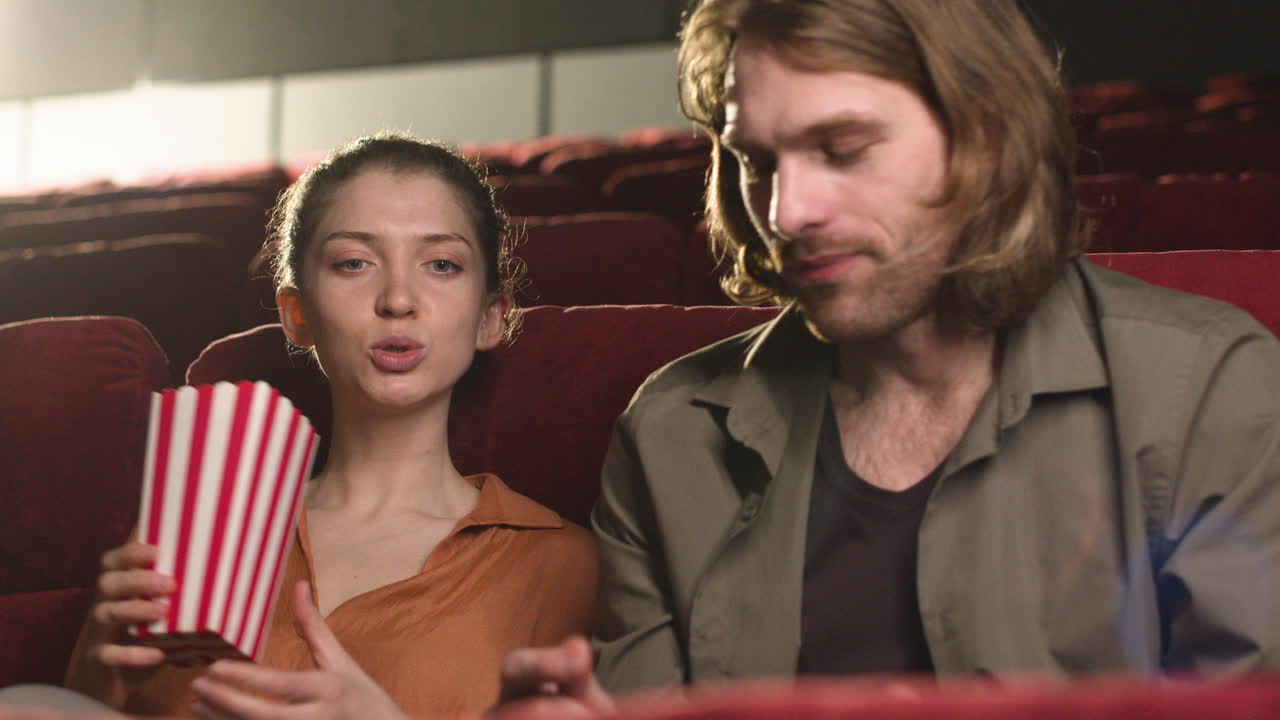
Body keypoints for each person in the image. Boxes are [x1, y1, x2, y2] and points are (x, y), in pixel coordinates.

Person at [497, 0, 1280, 711]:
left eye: (843, 149)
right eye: (756, 162)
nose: (786, 213)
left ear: (988, 137)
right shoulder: (671, 430)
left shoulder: (1211, 389)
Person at [57, 134, 598, 719]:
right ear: (297, 314)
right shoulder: (191, 534)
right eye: (354, 263)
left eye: (441, 264)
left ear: (491, 317)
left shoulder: (562, 565)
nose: (397, 299)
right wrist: (93, 681)